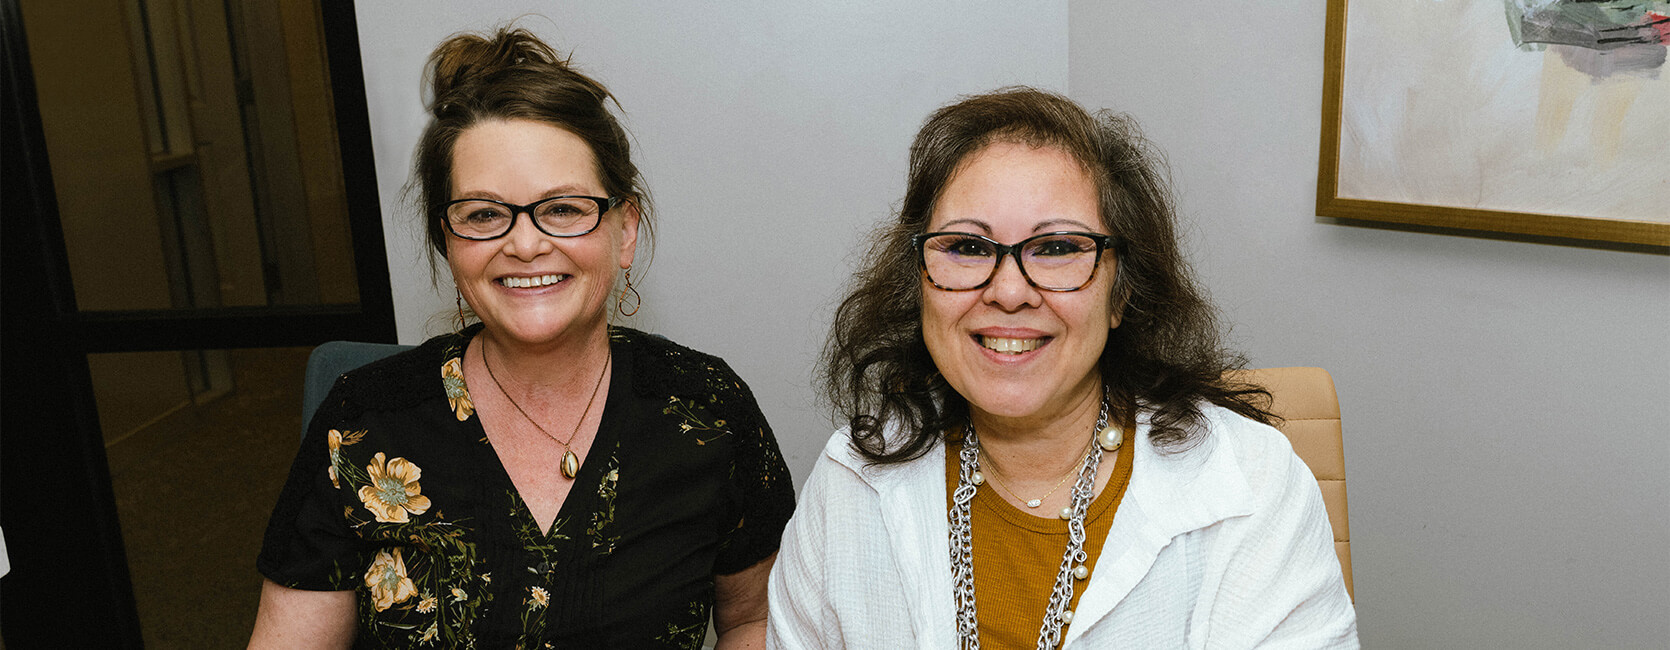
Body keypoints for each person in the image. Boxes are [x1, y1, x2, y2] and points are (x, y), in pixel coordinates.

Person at [250, 27, 793, 648]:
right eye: (484, 214)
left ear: (625, 231)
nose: (526, 243)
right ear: (447, 244)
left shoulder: (707, 410)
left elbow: (755, 619)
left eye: (563, 208)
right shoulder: (363, 420)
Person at [767, 88, 1357, 648]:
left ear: (1122, 292)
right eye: (968, 247)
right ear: (919, 281)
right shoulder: (850, 482)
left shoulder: (1252, 486)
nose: (1008, 291)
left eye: (1055, 249)